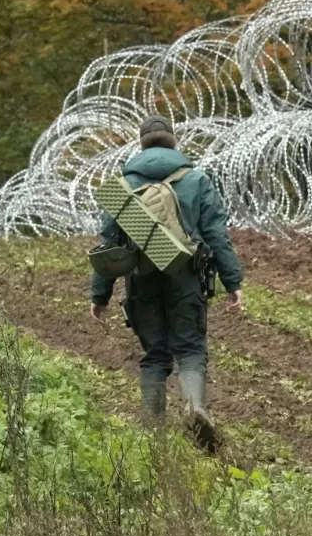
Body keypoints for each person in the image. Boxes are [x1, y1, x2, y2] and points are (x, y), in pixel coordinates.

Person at [88, 115, 245, 452]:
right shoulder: (196, 179)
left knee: (155, 355)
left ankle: (151, 433)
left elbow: (109, 244)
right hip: (186, 275)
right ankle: (196, 408)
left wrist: (99, 295)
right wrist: (233, 281)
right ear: (173, 142)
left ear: (141, 145)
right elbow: (217, 234)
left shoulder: (123, 185)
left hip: (141, 279)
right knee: (189, 349)